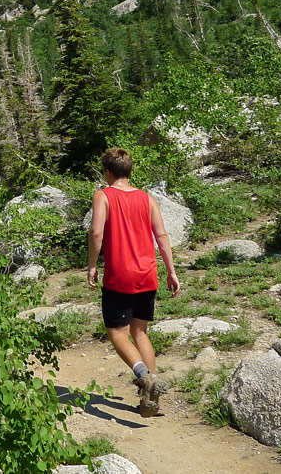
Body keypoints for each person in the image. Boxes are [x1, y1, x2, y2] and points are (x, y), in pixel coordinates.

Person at [87, 147, 181, 417]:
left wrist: (92, 265)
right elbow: (161, 236)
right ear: (129, 171)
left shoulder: (103, 196)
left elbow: (96, 233)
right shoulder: (147, 199)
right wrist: (171, 271)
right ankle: (151, 398)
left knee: (117, 333)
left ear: (107, 172)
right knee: (140, 332)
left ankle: (144, 376)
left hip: (120, 276)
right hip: (148, 274)